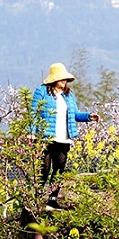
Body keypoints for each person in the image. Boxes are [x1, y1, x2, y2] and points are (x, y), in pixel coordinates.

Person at [32, 62, 92, 201]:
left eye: (65, 79)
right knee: (43, 170)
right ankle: (37, 199)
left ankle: (52, 200)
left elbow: (75, 115)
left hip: (63, 138)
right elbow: (33, 112)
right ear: (54, 79)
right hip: (45, 137)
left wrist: (88, 116)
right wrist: (31, 133)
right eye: (61, 78)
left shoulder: (69, 95)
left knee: (59, 171)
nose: (64, 81)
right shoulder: (42, 92)